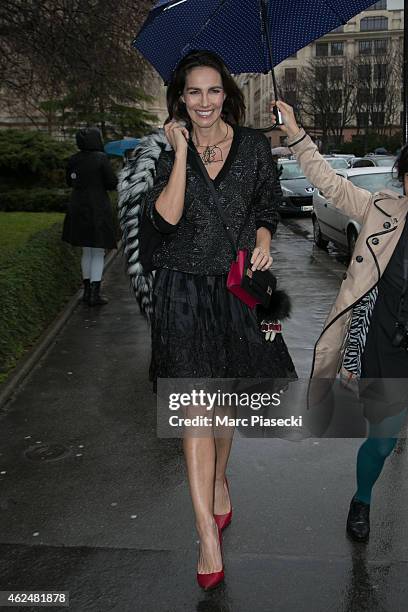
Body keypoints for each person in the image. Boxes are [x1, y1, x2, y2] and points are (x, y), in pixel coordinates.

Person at [134, 51, 297, 589]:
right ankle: (205, 532)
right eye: (193, 93)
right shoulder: (167, 151)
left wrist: (265, 241)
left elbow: (267, 205)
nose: (204, 102)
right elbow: (166, 219)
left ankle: (220, 478)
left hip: (233, 289)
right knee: (195, 412)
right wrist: (180, 153)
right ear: (180, 99)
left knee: (223, 402)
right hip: (181, 292)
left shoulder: (252, 146)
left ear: (226, 94)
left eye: (213, 92)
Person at [275, 99, 408, 543]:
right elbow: (330, 184)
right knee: (384, 441)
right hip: (388, 344)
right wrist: (295, 133)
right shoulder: (382, 211)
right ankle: (363, 499)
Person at [62, 127, 118, 306]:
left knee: (86, 250)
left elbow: (69, 181)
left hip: (78, 207)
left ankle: (87, 291)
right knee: (98, 251)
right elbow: (111, 183)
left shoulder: (73, 159)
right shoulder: (101, 159)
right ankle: (95, 293)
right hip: (97, 208)